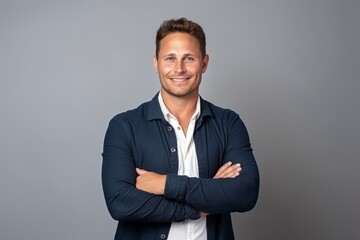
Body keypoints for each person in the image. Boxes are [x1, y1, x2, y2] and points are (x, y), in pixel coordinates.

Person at [102, 17, 259, 240]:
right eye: (170, 58)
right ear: (156, 63)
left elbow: (246, 193)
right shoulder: (124, 126)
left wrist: (166, 184)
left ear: (204, 63)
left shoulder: (228, 123)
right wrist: (202, 203)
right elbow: (120, 203)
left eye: (189, 58)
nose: (179, 69)